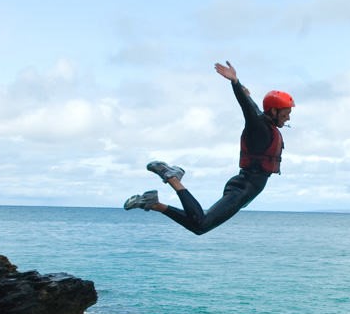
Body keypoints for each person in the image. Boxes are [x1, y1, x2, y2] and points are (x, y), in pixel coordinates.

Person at [124, 61, 294, 235]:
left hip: (247, 187)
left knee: (199, 225)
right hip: (244, 188)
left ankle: (153, 203)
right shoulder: (259, 126)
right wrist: (235, 83)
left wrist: (243, 89)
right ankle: (173, 178)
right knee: (202, 223)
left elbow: (253, 107)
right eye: (285, 114)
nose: (288, 118)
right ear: (273, 111)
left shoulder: (264, 123)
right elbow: (248, 108)